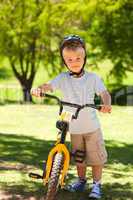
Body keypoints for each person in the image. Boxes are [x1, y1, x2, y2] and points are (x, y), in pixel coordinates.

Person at [31, 35, 111, 199]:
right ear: (64, 61)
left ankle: (96, 185)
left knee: (96, 158)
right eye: (70, 59)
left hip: (91, 127)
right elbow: (49, 86)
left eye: (78, 58)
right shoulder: (62, 78)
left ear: (84, 58)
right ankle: (81, 181)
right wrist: (39, 89)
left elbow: (104, 93)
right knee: (79, 157)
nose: (74, 62)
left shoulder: (92, 78)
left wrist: (106, 104)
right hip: (73, 128)